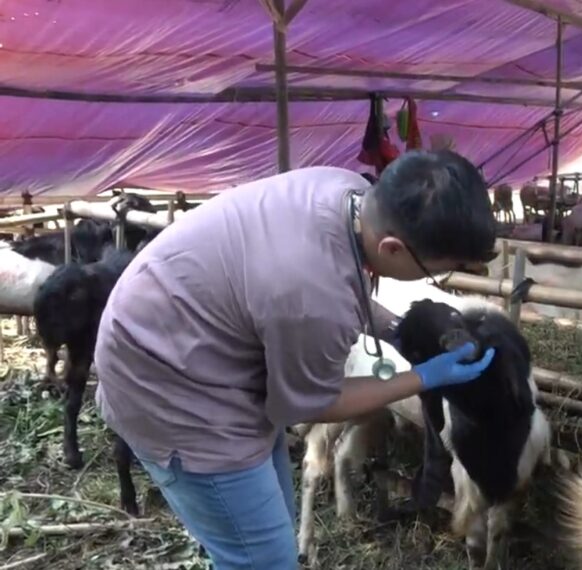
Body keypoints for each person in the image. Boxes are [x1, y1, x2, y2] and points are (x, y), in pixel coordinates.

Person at [94, 150, 501, 569]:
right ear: (393, 247)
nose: (435, 281)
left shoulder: (346, 191)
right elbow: (309, 404)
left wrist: (396, 328)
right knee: (264, 560)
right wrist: (421, 377)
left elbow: (337, 287)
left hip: (191, 333)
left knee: (269, 528)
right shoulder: (312, 297)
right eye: (439, 272)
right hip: (169, 385)